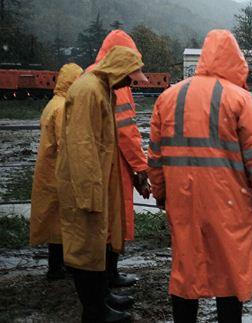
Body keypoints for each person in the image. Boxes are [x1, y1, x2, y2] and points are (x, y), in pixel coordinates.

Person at [147, 29, 252, 323]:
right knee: (230, 270)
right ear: (236, 61)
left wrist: (160, 194)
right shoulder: (239, 100)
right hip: (228, 205)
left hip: (182, 202)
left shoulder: (167, 98)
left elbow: (155, 158)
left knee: (185, 269)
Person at [56, 45, 148, 323]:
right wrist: (90, 195)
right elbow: (82, 145)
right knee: (85, 249)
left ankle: (101, 301)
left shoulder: (101, 88)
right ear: (118, 70)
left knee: (95, 246)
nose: (131, 83)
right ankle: (94, 311)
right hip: (85, 188)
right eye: (130, 77)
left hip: (95, 184)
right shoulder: (89, 91)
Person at [87, 30, 151, 288]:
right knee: (114, 219)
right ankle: (108, 277)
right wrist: (141, 169)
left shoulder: (91, 75)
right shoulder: (115, 83)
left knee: (102, 220)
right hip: (113, 163)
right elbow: (126, 130)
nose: (131, 82)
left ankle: (103, 278)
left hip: (100, 161)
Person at [29, 63, 83, 280]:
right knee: (62, 221)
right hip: (58, 174)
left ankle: (56, 266)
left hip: (47, 171)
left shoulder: (53, 104)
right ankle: (58, 267)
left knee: (53, 221)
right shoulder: (63, 108)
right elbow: (65, 143)